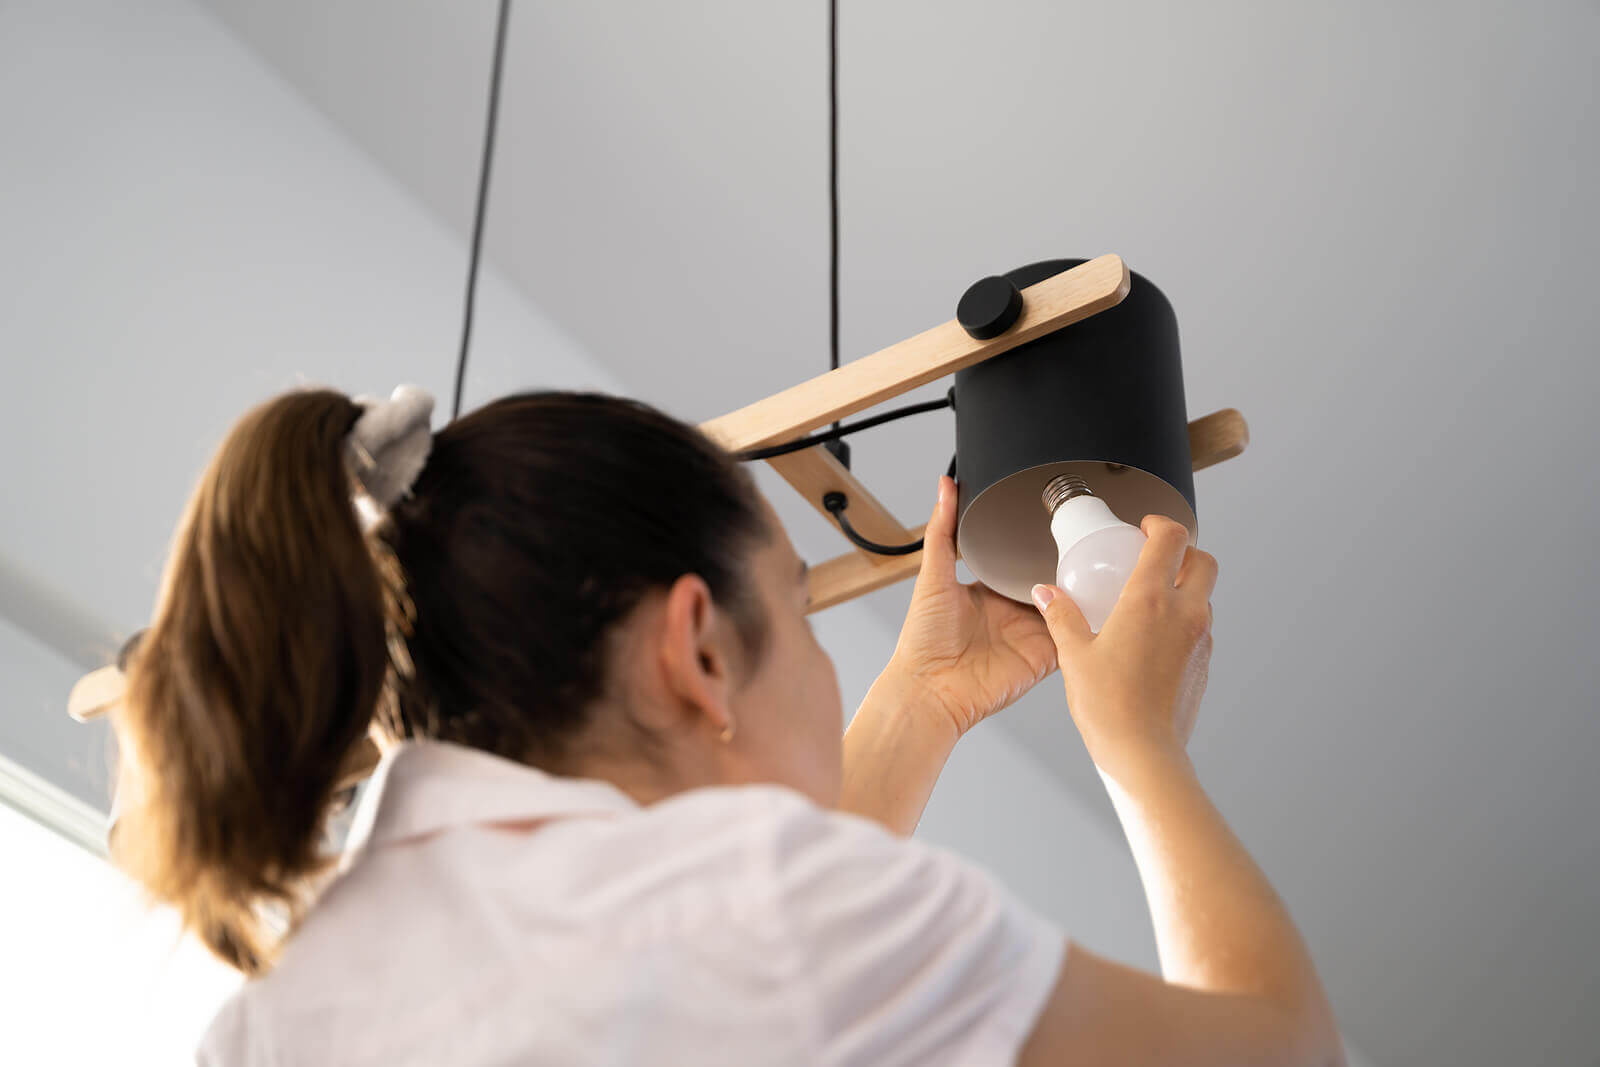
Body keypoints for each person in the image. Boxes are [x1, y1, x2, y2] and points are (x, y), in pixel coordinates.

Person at [108, 384, 1344, 1066]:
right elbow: (1281, 1054)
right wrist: (1140, 747)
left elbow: (713, 958)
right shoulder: (766, 913)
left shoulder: (265, 1027)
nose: (819, 656)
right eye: (802, 616)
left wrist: (921, 703)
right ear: (697, 647)